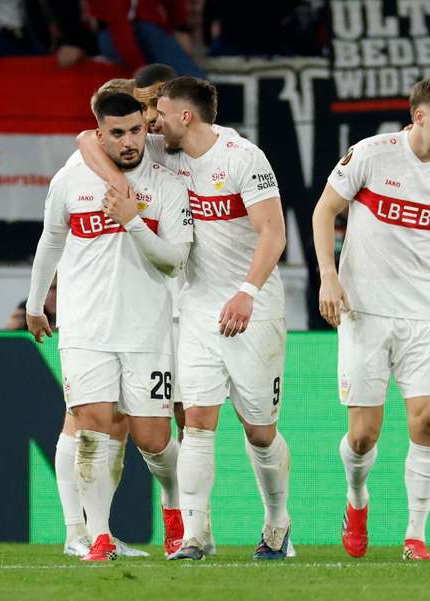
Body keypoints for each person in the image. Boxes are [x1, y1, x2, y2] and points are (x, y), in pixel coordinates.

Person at [78, 76, 291, 561]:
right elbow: (88, 139)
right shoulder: (163, 153)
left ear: (186, 117)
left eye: (160, 113)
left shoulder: (242, 157)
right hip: (196, 308)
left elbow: (273, 233)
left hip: (252, 308)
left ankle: (278, 521)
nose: (151, 124)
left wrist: (246, 292)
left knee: (259, 430)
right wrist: (119, 188)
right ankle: (195, 535)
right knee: (196, 421)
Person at [25, 92, 192, 561]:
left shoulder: (167, 186)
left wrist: (133, 221)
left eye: (136, 130)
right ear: (100, 134)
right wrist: (36, 303)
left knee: (153, 440)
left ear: (146, 128)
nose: (128, 141)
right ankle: (98, 536)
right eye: (117, 133)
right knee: (93, 429)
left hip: (147, 333)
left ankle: (176, 509)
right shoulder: (70, 181)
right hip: (85, 329)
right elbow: (51, 240)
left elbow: (173, 262)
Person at [312, 75, 430, 560]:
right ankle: (357, 499)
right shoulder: (372, 154)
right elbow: (323, 212)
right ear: (419, 117)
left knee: (426, 423)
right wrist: (328, 277)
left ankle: (414, 535)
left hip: (421, 313)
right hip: (365, 311)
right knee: (363, 435)